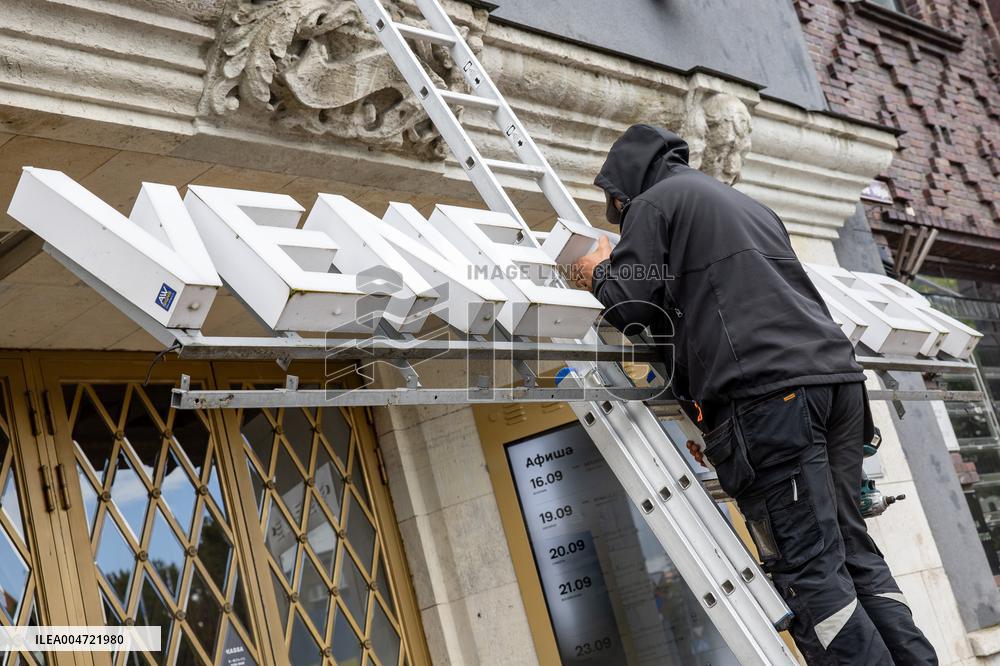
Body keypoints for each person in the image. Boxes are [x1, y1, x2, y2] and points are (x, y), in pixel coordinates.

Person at [573, 124, 937, 665]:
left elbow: (628, 302)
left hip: (771, 398)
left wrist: (595, 271)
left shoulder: (651, 205)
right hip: (835, 384)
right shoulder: (746, 206)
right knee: (853, 552)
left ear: (622, 190)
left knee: (810, 567)